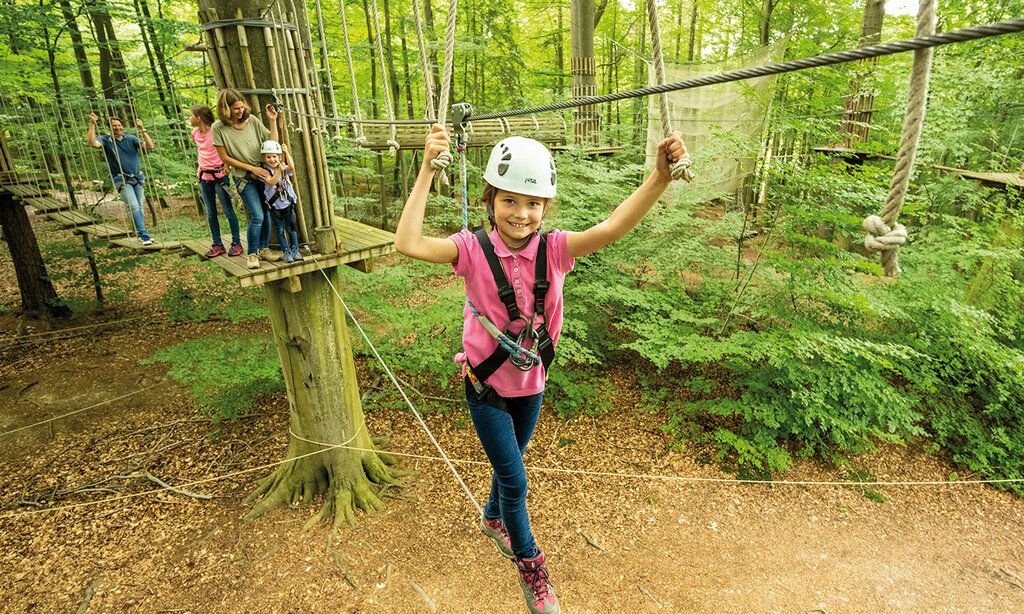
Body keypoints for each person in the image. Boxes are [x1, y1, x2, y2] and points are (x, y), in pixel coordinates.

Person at [394, 126, 687, 614]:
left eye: (533, 203)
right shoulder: (470, 250)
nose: (521, 213)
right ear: (490, 200)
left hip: (531, 383)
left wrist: (659, 178)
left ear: (546, 207)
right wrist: (427, 168)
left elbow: (612, 227)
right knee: (515, 480)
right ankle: (531, 566)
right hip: (486, 386)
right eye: (509, 200)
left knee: (508, 467)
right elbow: (407, 243)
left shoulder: (554, 251)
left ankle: (493, 518)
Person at [211, 88, 283, 270]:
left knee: (266, 212)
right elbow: (225, 158)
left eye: (242, 107)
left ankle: (264, 249)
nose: (240, 111)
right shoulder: (218, 128)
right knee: (257, 216)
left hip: (263, 174)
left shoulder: (252, 121)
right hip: (244, 177)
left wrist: (272, 121)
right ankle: (252, 254)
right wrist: (252, 168)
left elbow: (272, 144)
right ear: (226, 108)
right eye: (236, 108)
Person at [87, 112, 155, 246]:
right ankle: (144, 235)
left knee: (140, 207)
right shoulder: (106, 140)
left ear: (122, 126)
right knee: (133, 206)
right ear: (109, 128)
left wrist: (142, 129)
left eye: (119, 125)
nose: (117, 128)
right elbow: (92, 143)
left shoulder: (131, 139)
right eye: (114, 126)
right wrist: (92, 124)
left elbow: (149, 146)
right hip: (121, 179)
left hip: (138, 177)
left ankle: (140, 233)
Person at [189, 105, 242, 258]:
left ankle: (236, 243)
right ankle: (217, 244)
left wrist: (227, 165)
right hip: (204, 177)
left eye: (191, 115)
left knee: (227, 210)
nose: (189, 118)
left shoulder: (216, 131)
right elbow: (202, 151)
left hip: (219, 176)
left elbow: (228, 148)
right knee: (210, 213)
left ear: (199, 118)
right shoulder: (195, 133)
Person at [259, 140, 303, 263]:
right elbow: (271, 182)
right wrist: (279, 170)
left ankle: (295, 250)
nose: (272, 159)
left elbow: (292, 167)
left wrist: (286, 152)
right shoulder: (264, 172)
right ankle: (286, 251)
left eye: (274, 156)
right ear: (263, 158)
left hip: (287, 203)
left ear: (279, 157)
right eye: (268, 157)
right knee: (280, 230)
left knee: (291, 228)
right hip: (275, 206)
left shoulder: (284, 168)